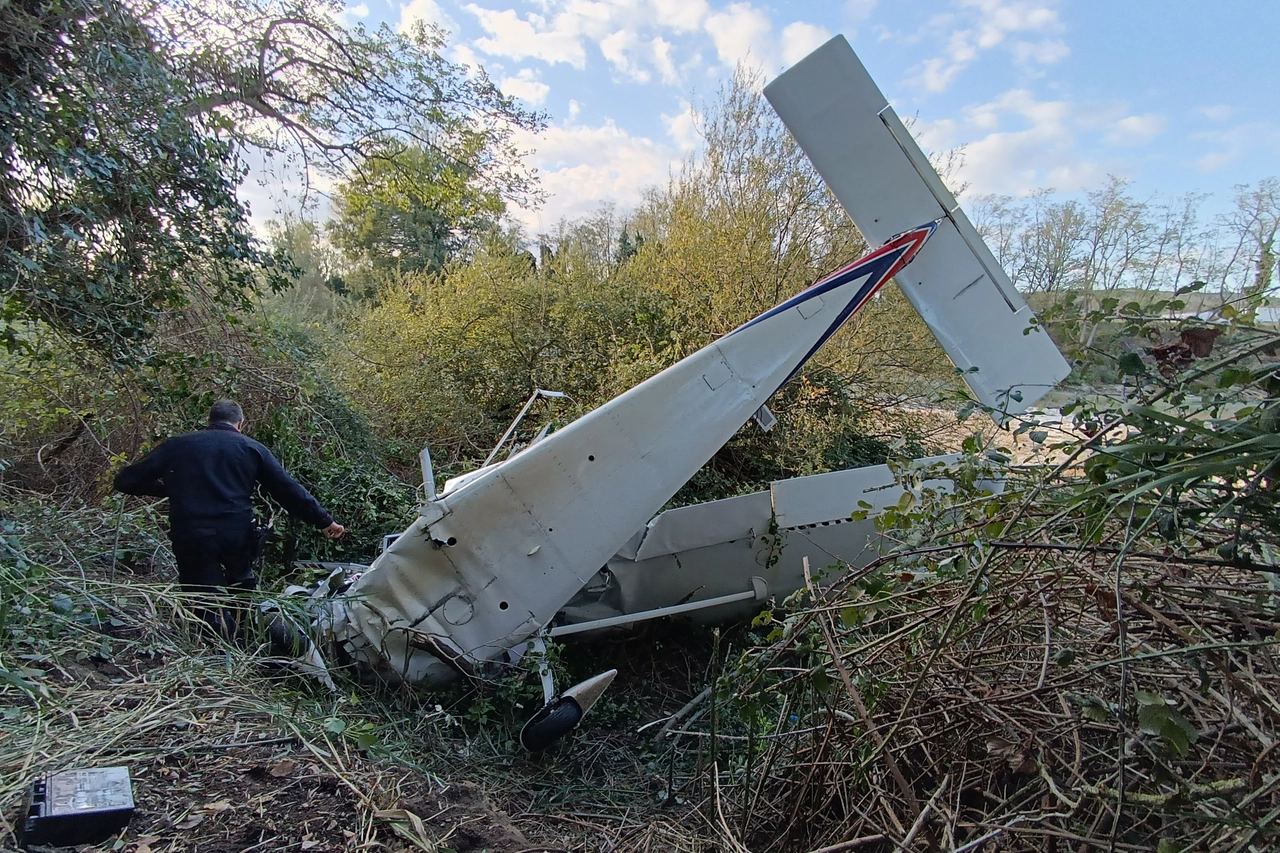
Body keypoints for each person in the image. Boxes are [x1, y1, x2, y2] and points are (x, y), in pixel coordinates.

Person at [114, 399, 344, 640]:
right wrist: (324, 520)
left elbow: (126, 481)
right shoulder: (251, 448)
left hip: (192, 533)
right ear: (240, 423)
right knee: (242, 590)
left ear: (209, 421)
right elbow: (287, 490)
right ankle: (243, 642)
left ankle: (213, 651)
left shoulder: (177, 445)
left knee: (202, 596)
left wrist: (172, 488)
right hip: (237, 534)